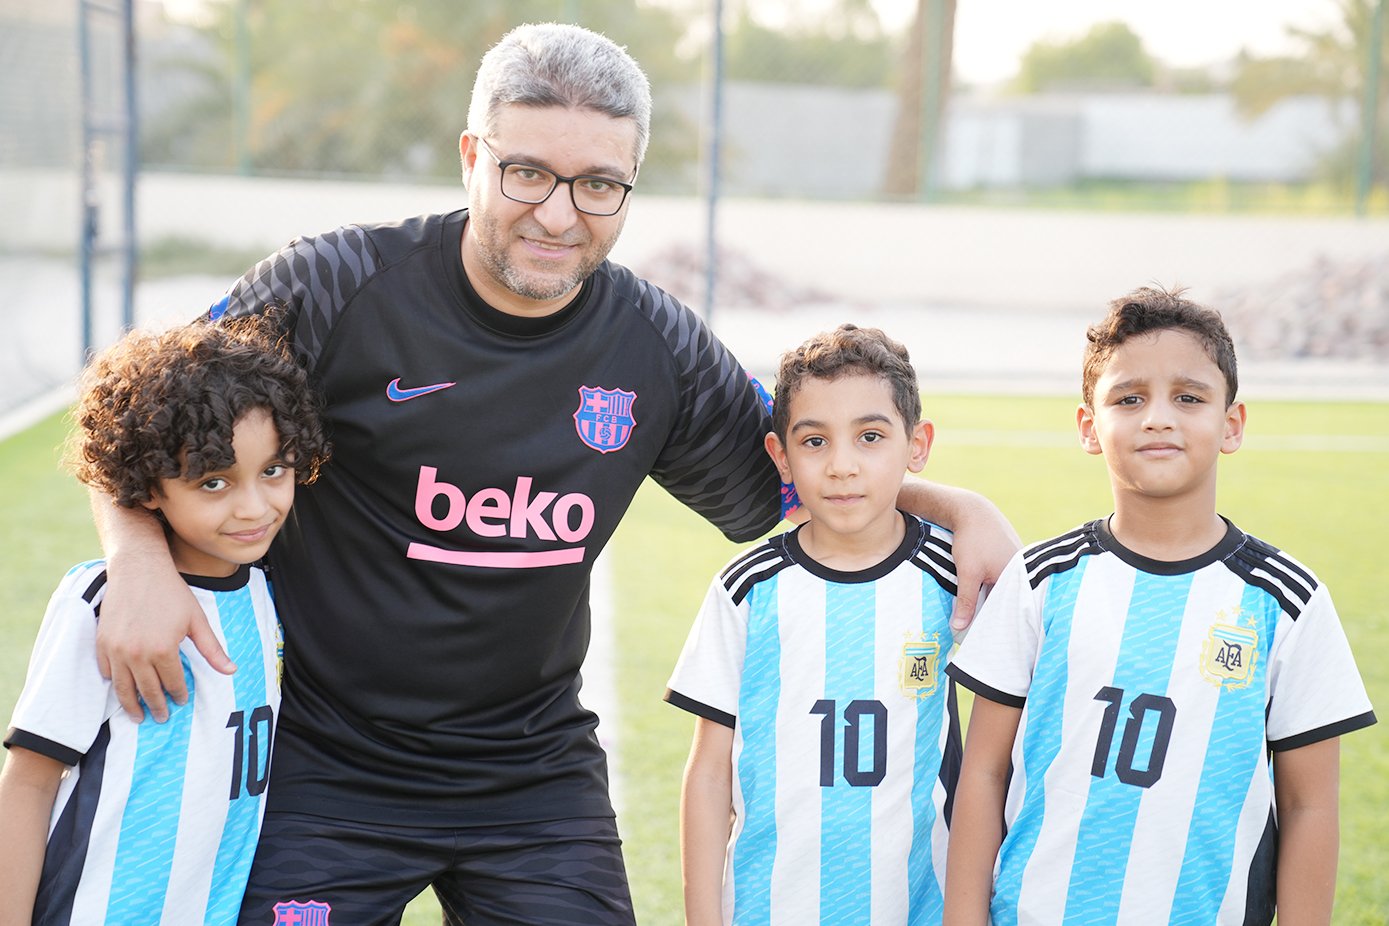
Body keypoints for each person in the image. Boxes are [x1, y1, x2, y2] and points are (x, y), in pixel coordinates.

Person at [91, 23, 1018, 924]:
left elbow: (793, 469)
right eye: (527, 172)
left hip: (530, 773)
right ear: (472, 156)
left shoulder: (659, 345)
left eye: (599, 184)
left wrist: (950, 504)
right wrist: (136, 556)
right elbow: (138, 414)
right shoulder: (335, 283)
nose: (559, 214)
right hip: (325, 761)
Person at [942, 287, 1377, 926]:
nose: (1158, 418)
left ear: (1232, 424)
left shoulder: (1285, 600)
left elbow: (1309, 806)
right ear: (1089, 427)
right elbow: (983, 775)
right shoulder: (1041, 580)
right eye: (1129, 399)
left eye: (1189, 398)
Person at [0, 316, 328, 925]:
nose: (254, 507)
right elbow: (28, 783)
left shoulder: (269, 591)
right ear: (147, 487)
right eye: (214, 482)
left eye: (273, 471)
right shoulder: (100, 602)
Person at [667, 325, 961, 925]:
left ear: (917, 445)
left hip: (917, 908)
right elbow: (709, 773)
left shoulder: (955, 574)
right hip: (768, 908)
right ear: (781, 455)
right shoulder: (748, 589)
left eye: (870, 437)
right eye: (815, 441)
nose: (842, 466)